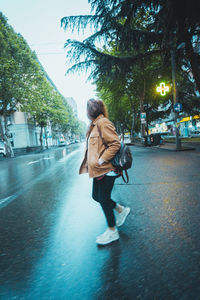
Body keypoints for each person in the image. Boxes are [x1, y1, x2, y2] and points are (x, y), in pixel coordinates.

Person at [79, 98, 130, 245]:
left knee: (103, 198)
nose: (90, 110)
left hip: (107, 170)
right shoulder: (94, 125)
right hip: (99, 171)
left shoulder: (103, 123)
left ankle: (112, 230)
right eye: (89, 107)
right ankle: (120, 209)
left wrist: (101, 160)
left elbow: (114, 144)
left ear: (96, 110)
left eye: (92, 107)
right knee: (97, 196)